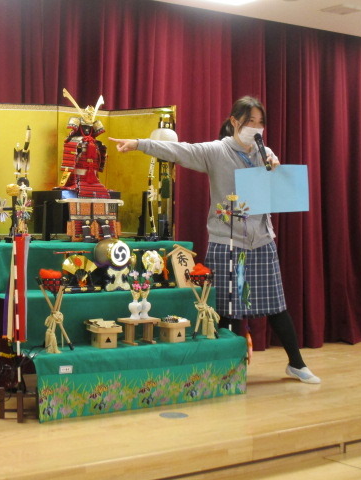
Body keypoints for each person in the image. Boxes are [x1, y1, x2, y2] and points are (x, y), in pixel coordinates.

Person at [109, 96, 320, 384]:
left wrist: (276, 168)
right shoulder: (216, 151)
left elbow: (273, 189)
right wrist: (138, 143)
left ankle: (296, 364)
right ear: (234, 121)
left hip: (261, 240)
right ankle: (226, 368)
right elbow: (179, 150)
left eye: (260, 122)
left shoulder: (264, 152)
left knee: (276, 306)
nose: (256, 127)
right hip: (227, 242)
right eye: (250, 121)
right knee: (226, 310)